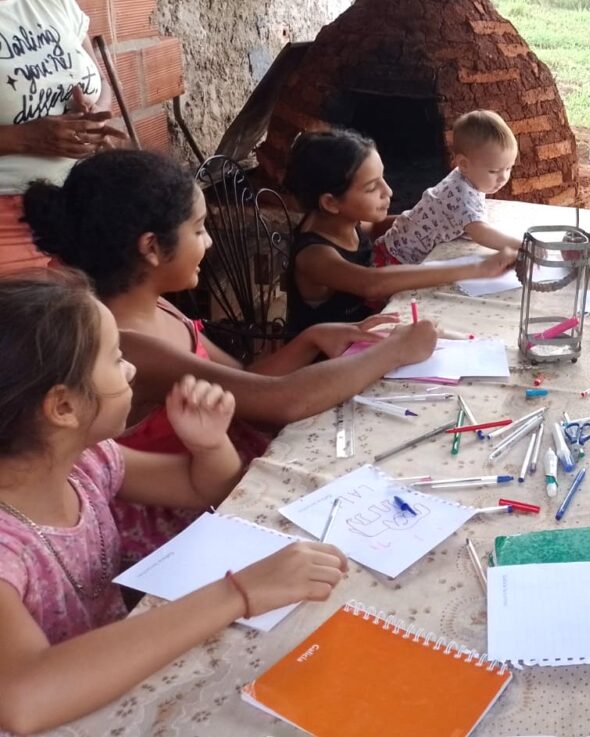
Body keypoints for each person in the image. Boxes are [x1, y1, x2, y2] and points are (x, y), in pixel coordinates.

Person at [23, 150, 439, 562]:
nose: (209, 241)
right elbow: (280, 402)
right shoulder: (127, 345)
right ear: (152, 247)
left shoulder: (159, 306)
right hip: (185, 519)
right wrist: (394, 350)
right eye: (199, 229)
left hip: (221, 468)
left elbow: (247, 379)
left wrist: (309, 339)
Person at [0, 272, 348, 734]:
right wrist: (238, 592)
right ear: (63, 408)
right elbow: (22, 699)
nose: (131, 371)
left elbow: (203, 488)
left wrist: (206, 445)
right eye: (117, 359)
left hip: (113, 674)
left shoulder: (87, 461)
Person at [283, 129, 516, 332]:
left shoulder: (345, 221)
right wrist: (476, 268)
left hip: (371, 327)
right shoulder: (313, 255)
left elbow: (375, 227)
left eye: (382, 178)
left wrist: (428, 221)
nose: (389, 191)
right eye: (372, 187)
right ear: (331, 202)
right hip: (326, 361)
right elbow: (371, 284)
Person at [0, 0, 126, 274]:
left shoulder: (55, 3)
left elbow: (101, 83)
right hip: (7, 222)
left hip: (84, 203)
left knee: (99, 314)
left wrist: (100, 112)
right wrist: (24, 138)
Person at [376, 110, 523, 265]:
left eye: (509, 168)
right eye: (493, 171)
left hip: (394, 244)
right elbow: (481, 234)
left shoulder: (466, 176)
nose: (503, 177)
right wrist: (523, 246)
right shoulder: (461, 196)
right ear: (464, 164)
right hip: (396, 259)